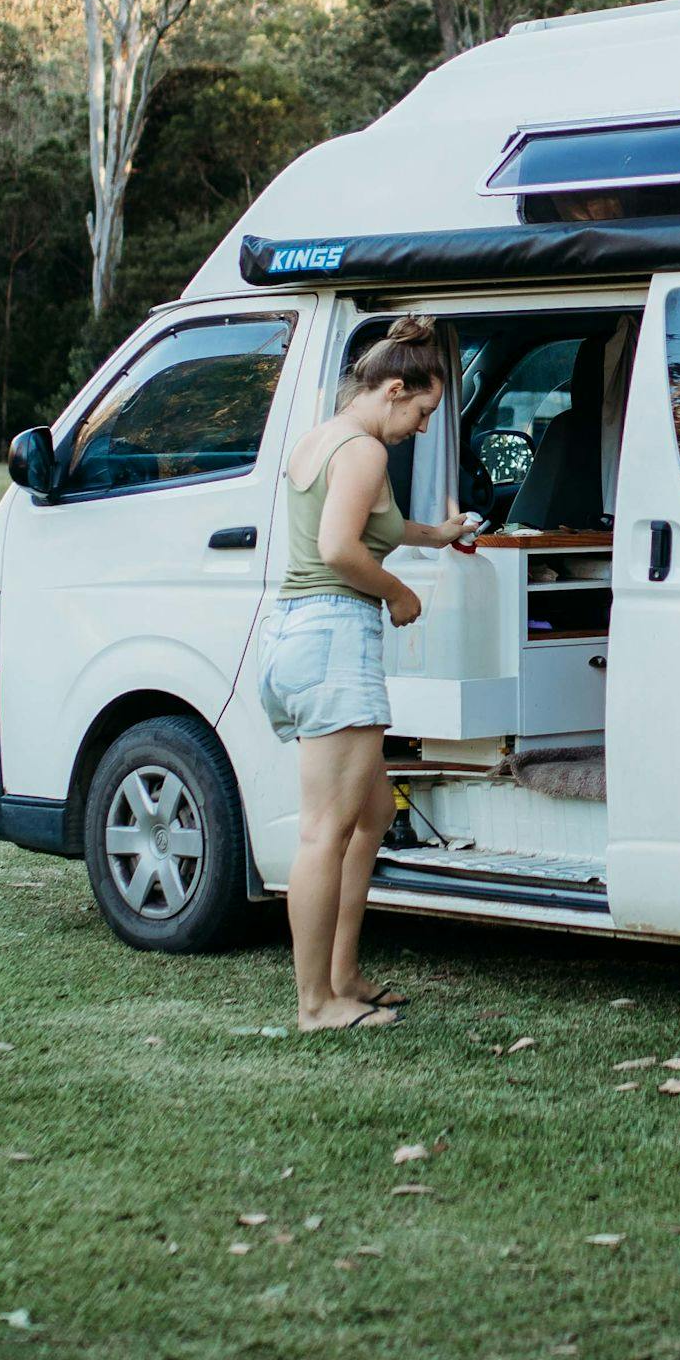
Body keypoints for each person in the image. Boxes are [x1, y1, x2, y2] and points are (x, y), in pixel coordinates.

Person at [258, 315, 480, 1032]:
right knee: (325, 830)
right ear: (393, 390)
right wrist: (398, 591)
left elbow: (365, 525)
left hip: (298, 638)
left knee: (374, 812)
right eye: (422, 412)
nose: (423, 427)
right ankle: (316, 1003)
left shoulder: (324, 439)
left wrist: (434, 535)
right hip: (334, 637)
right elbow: (338, 548)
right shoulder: (364, 451)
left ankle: (344, 974)